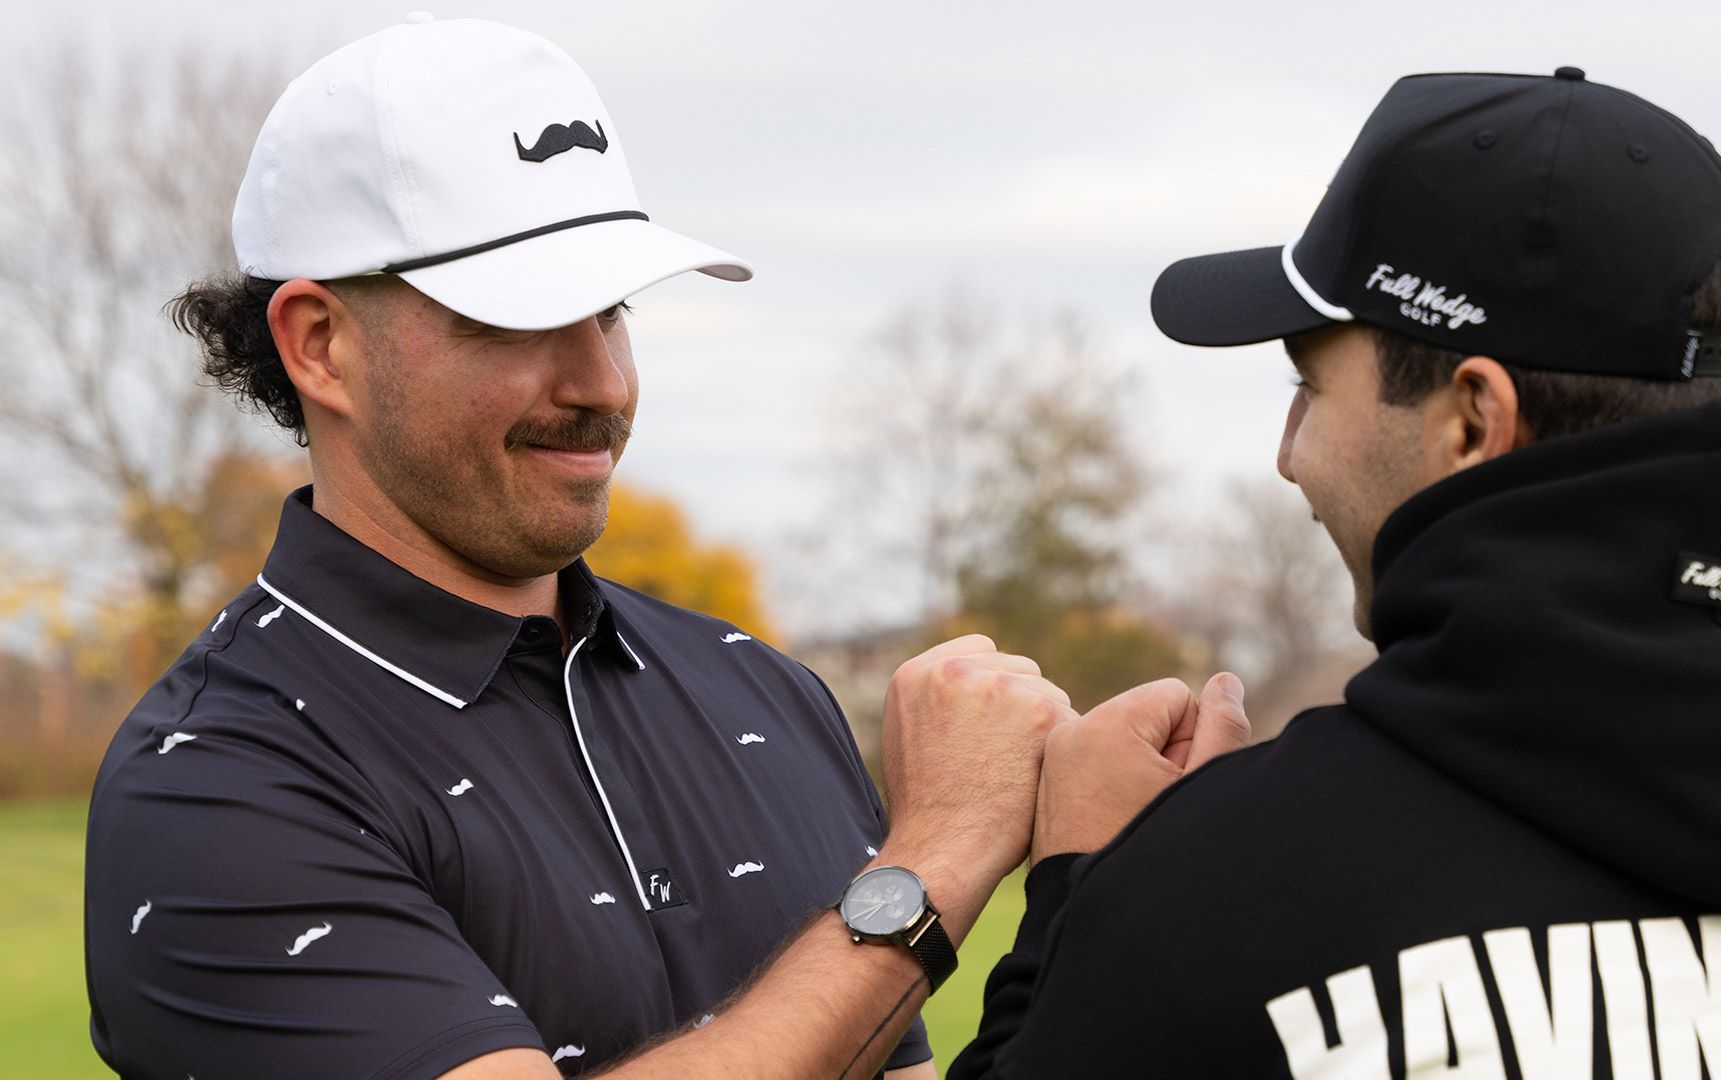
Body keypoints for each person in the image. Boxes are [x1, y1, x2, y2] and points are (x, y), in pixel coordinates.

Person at [82, 15, 1253, 1079]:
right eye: (523, 316)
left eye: (614, 309)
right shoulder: (217, 782)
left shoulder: (760, 688)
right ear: (321, 344)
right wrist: (938, 852)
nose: (600, 382)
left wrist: (1086, 888)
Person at [951, 68, 1721, 1077]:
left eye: (1309, 386)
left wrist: (1084, 882)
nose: (1290, 455)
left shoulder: (1236, 884)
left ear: (1471, 420)